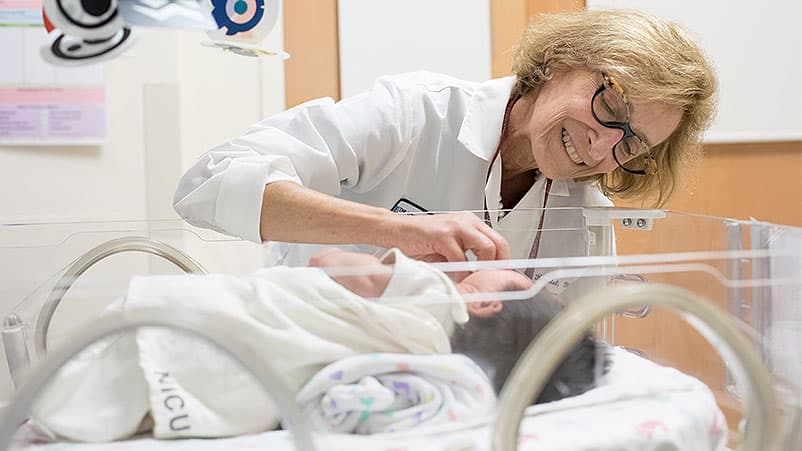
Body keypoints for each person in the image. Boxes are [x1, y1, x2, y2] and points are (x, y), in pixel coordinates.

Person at [172, 9, 717, 270]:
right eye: (610, 106)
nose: (600, 149)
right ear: (559, 59)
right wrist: (396, 230)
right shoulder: (417, 115)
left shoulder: (584, 212)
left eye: (631, 146)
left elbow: (571, 345)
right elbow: (207, 184)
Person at [31, 248, 605, 442]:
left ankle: (49, 415)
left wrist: (398, 260)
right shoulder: (435, 368)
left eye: (507, 280)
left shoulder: (436, 295)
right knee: (159, 395)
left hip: (211, 324)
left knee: (100, 375)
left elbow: (330, 265)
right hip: (251, 386)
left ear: (482, 304)